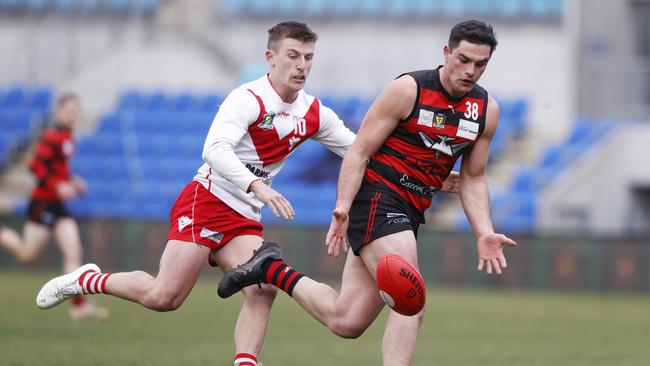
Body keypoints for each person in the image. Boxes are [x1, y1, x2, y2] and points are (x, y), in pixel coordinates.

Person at [35, 22, 461, 366]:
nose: (301, 66)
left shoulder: (313, 112)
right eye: (293, 56)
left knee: (262, 288)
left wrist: (424, 175)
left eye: (308, 57)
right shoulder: (247, 98)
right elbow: (213, 150)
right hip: (207, 200)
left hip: (243, 214)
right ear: (270, 58)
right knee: (164, 298)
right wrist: (257, 184)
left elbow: (359, 148)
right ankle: (88, 279)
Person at [216, 20, 518, 365]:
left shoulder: (485, 111)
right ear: (447, 52)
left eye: (480, 64)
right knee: (410, 301)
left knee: (346, 321)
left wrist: (484, 231)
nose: (470, 71)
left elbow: (474, 178)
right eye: (464, 59)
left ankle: (270, 268)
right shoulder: (409, 89)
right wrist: (343, 206)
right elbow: (358, 151)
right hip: (377, 197)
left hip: (411, 211)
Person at [0, 93, 108, 320]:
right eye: (69, 110)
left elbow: (57, 168)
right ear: (59, 111)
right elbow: (36, 166)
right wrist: (57, 185)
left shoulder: (68, 137)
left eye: (75, 111)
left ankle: (78, 306)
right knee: (27, 254)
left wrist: (72, 182)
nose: (72, 114)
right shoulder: (52, 137)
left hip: (58, 205)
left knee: (74, 251)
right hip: (43, 203)